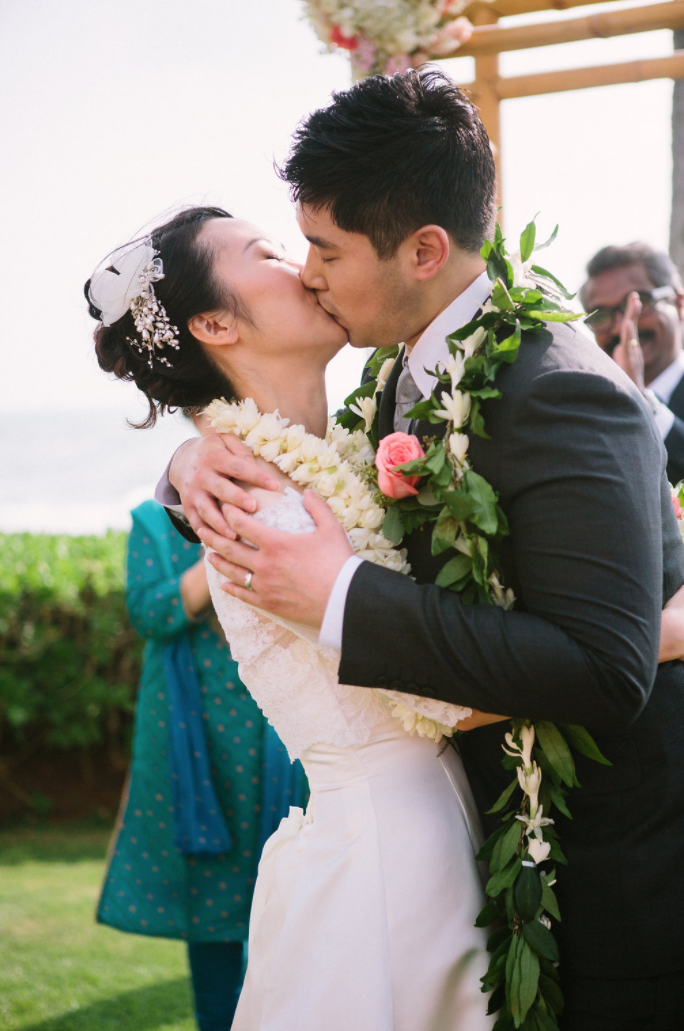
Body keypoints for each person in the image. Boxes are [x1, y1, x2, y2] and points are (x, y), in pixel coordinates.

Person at [161, 71, 684, 1030]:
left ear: (424, 249)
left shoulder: (560, 388)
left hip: (614, 882)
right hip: (460, 854)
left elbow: (606, 667)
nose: (308, 272)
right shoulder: (398, 373)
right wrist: (189, 459)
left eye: (322, 248)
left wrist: (342, 592)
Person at [86, 208, 502, 1030]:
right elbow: (443, 695)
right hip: (391, 861)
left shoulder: (336, 448)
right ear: (213, 323)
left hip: (425, 831)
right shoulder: (252, 503)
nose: (307, 264)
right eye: (270, 253)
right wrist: (653, 634)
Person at [96, 408, 306, 1031]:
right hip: (195, 737)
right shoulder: (152, 524)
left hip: (270, 726)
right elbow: (152, 612)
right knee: (211, 901)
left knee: (286, 889)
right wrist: (214, 552)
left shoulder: (279, 516)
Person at [581, 242, 684, 484]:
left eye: (639, 304)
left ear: (679, 304)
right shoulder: (588, 417)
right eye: (602, 315)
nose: (622, 327)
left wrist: (642, 401)